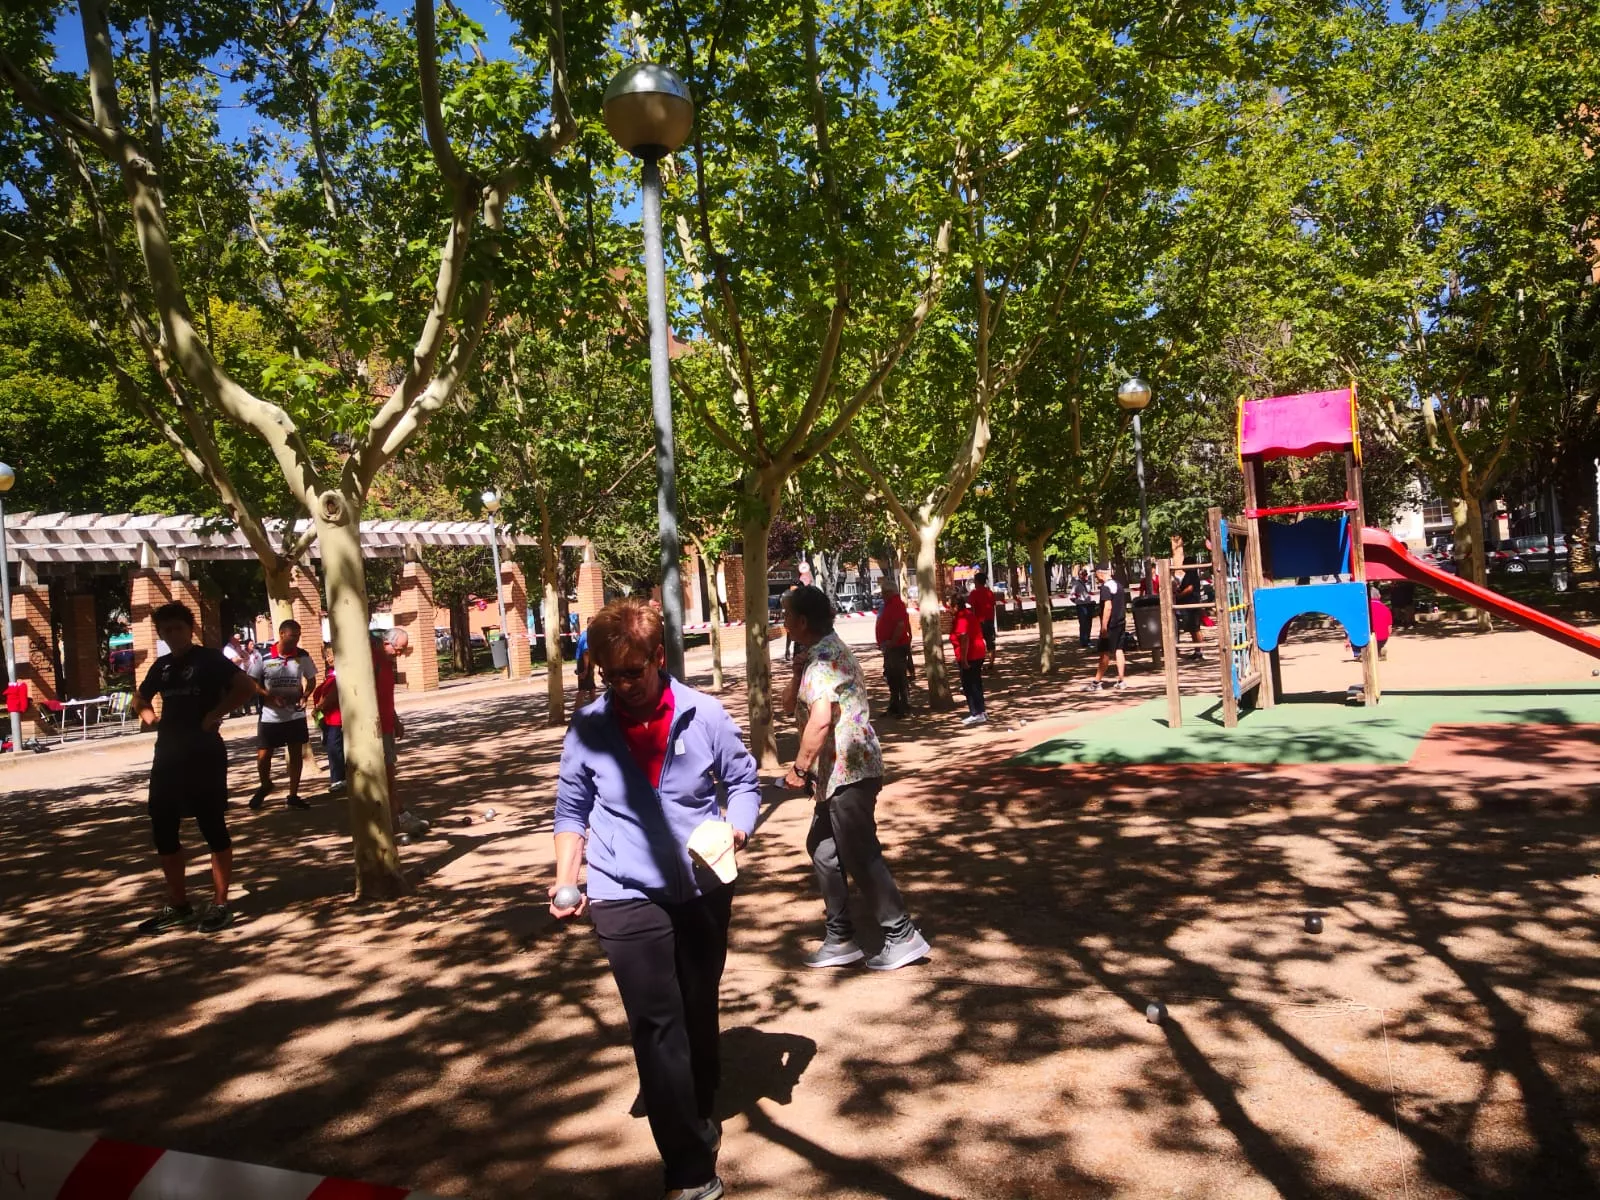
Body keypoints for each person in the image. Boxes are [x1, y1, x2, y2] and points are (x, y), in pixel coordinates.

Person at [550, 599, 760, 1200]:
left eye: (632, 673)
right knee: (655, 1021)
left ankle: (696, 1096)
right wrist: (568, 874)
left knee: (697, 1002)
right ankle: (690, 1168)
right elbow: (571, 807)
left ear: (658, 658)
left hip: (702, 884)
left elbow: (743, 782)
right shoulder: (590, 725)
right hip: (621, 889)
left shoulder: (705, 715)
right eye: (609, 676)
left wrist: (736, 829)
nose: (621, 686)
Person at [781, 584, 930, 972]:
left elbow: (820, 720)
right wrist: (795, 674)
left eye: (785, 616)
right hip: (838, 773)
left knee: (859, 853)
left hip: (849, 770)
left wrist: (798, 768)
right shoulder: (816, 658)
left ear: (801, 621)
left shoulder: (826, 658)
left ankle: (901, 934)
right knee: (824, 848)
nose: (782, 623)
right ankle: (840, 937)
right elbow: (787, 708)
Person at [134, 602, 257, 935]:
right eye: (166, 629)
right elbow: (141, 698)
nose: (173, 634)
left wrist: (214, 714)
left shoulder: (209, 659)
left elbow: (245, 687)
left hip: (204, 755)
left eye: (178, 627)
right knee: (164, 829)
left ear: (190, 628)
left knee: (212, 827)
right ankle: (179, 905)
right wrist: (149, 717)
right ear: (160, 633)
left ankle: (220, 904)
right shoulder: (161, 667)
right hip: (168, 758)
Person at [248, 618, 317, 810]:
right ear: (281, 634)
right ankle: (265, 785)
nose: (296, 639)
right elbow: (250, 682)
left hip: (294, 715)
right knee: (263, 755)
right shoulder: (262, 655)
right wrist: (267, 695)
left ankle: (293, 795)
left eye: (298, 636)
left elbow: (311, 680)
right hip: (270, 716)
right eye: (292, 636)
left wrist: (305, 696)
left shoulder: (302, 656)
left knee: (296, 754)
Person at [374, 628, 427, 838]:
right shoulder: (373, 660)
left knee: (390, 774)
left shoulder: (387, 663)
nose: (401, 654)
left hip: (387, 724)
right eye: (399, 649)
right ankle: (399, 817)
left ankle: (397, 818)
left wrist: (395, 719)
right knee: (387, 776)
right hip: (375, 728)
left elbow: (385, 695)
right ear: (387, 643)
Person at [874, 577, 913, 717]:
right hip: (891, 647)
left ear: (890, 592)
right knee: (891, 677)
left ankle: (904, 706)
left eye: (884, 592)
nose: (882, 596)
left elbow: (900, 625)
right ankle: (895, 705)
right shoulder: (890, 604)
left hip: (897, 647)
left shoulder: (896, 604)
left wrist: (892, 642)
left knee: (899, 676)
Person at [1085, 564, 1127, 691]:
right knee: (1119, 650)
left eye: (1096, 574)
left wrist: (1104, 626)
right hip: (1120, 622)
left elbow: (1108, 607)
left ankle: (1096, 682)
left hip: (1111, 625)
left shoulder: (1105, 588)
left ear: (1100, 573)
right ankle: (1121, 680)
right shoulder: (1118, 586)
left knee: (1104, 652)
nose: (1096, 577)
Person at [949, 589, 987, 726]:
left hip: (971, 655)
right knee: (975, 683)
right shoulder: (968, 615)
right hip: (978, 653)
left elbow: (964, 638)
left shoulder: (962, 618)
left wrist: (964, 659)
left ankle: (976, 712)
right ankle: (981, 711)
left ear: (956, 606)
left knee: (969, 685)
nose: (949, 609)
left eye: (950, 606)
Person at [311, 643, 344, 793]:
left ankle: (338, 778)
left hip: (337, 719)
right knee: (332, 747)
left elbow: (333, 695)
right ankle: (337, 778)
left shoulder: (340, 675)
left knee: (334, 748)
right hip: (329, 719)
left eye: (331, 655)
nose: (329, 658)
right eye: (327, 656)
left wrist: (319, 707)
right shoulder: (330, 673)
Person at [968, 570, 997, 673]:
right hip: (989, 621)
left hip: (978, 622)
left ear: (977, 582)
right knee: (991, 643)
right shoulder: (990, 593)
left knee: (978, 643)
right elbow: (993, 607)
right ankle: (991, 663)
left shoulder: (974, 593)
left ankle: (979, 662)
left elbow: (972, 609)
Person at [1070, 568, 1097, 650]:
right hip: (1081, 606)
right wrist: (1078, 602)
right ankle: (1083, 641)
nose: (1085, 576)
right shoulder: (1076, 584)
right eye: (1083, 574)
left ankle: (1088, 639)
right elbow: (1071, 596)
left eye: (1086, 574)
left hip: (1088, 605)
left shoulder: (1088, 584)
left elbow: (1088, 594)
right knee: (1083, 624)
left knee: (1089, 623)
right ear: (1080, 575)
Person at [575, 618, 595, 702]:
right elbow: (586, 653)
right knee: (583, 690)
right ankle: (577, 712)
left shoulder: (584, 634)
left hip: (586, 662)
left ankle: (595, 711)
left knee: (592, 688)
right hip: (584, 662)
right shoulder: (588, 636)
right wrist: (586, 669)